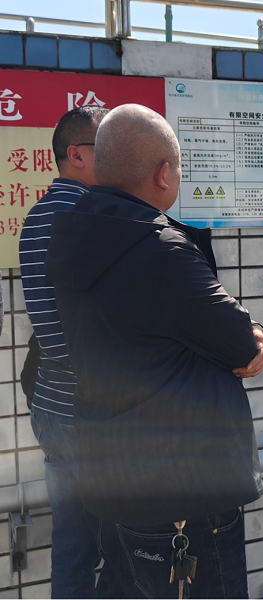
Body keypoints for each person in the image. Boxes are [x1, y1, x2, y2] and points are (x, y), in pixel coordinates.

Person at [44, 104, 263, 598]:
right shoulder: (160, 247)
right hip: (185, 491)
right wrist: (254, 330)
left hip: (116, 481)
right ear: (164, 174)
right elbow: (241, 343)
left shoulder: (71, 234)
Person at [18, 106, 108, 598]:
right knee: (121, 545)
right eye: (104, 147)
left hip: (52, 405)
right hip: (92, 412)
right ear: (76, 154)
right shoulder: (92, 216)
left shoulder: (36, 217)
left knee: (73, 545)